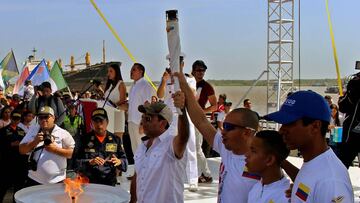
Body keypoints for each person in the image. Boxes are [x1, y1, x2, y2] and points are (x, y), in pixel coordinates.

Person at [174, 71, 260, 203]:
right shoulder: (227, 148)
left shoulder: (262, 165)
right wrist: (183, 85)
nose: (223, 131)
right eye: (224, 125)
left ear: (247, 133)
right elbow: (201, 121)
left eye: (230, 128)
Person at [264, 90, 354, 202]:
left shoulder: (331, 181)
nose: (281, 130)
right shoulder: (314, 163)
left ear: (315, 126)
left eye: (289, 123)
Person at [129, 101, 190, 203]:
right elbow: (137, 176)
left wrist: (181, 110)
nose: (142, 122)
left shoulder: (171, 144)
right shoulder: (142, 146)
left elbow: (184, 136)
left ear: (163, 123)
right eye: (142, 117)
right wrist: (132, 201)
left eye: (148, 118)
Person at [157, 54, 199, 191]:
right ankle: (168, 176)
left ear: (182, 64)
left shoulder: (189, 79)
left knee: (190, 146)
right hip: (170, 117)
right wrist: (164, 81)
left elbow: (192, 94)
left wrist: (180, 80)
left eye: (174, 62)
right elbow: (160, 95)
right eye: (170, 62)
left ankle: (193, 180)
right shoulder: (167, 77)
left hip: (184, 115)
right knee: (167, 146)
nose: (171, 65)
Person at [19, 106, 75, 186]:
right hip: (34, 180)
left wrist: (55, 150)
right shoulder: (33, 130)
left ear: (53, 118)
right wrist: (35, 141)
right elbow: (21, 150)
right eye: (40, 117)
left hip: (57, 181)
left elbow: (70, 154)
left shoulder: (63, 133)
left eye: (46, 117)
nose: (43, 120)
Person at [76, 108, 127, 186]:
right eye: (96, 121)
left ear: (107, 122)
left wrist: (119, 162)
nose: (99, 124)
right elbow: (75, 163)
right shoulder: (84, 139)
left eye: (101, 121)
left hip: (109, 184)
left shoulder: (115, 140)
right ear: (92, 123)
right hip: (89, 184)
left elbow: (125, 162)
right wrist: (90, 162)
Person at [119, 63, 154, 167]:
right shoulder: (134, 86)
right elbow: (133, 105)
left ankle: (146, 173)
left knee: (143, 149)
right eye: (131, 69)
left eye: (134, 70)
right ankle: (138, 173)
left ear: (141, 72)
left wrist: (144, 123)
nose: (131, 72)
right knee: (135, 150)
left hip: (139, 121)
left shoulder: (145, 85)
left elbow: (147, 105)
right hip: (131, 120)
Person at [245, 130, 290, 203]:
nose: (246, 154)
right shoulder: (256, 187)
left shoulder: (285, 197)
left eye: (253, 151)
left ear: (269, 160)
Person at [191, 59, 217, 183]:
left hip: (197, 120)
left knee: (196, 148)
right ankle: (194, 172)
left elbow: (215, 106)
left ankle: (206, 174)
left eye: (203, 70)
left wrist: (201, 112)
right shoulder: (188, 83)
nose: (201, 72)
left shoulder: (207, 87)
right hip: (185, 118)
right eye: (198, 70)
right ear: (193, 71)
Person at [0, 110, 28, 202]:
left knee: (18, 188)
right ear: (11, 118)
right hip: (7, 162)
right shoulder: (3, 131)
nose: (16, 121)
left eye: (18, 119)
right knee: (3, 186)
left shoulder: (22, 131)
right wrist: (11, 144)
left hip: (20, 162)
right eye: (14, 118)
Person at [338, 72, 360, 168]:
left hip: (352, 135)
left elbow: (343, 106)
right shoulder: (356, 83)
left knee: (341, 165)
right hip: (352, 134)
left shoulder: (356, 82)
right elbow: (343, 107)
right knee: (341, 166)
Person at [103, 63, 127, 138]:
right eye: (108, 71)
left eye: (111, 71)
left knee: (117, 140)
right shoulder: (109, 86)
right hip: (108, 115)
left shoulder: (121, 84)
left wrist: (112, 105)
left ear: (116, 72)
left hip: (117, 114)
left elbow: (123, 100)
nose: (108, 73)